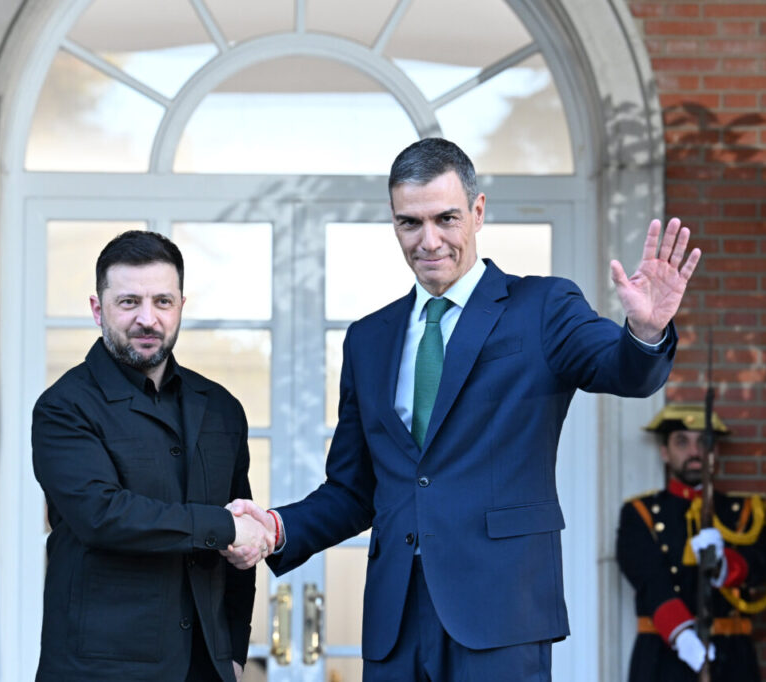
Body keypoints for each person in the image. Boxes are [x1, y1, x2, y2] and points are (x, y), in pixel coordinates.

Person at [224, 137, 700, 680]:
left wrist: (645, 329)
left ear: (477, 212)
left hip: (501, 617)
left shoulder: (543, 307)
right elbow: (355, 490)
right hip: (395, 624)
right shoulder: (368, 339)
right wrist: (278, 527)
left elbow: (625, 372)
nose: (429, 241)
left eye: (446, 218)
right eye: (410, 223)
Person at [31, 230, 274, 682]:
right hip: (98, 672)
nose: (148, 318)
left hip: (207, 667)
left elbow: (241, 543)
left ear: (181, 305)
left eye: (162, 301)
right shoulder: (63, 408)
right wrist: (223, 528)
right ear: (97, 309)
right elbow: (103, 515)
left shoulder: (221, 408)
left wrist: (234, 652)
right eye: (129, 302)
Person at [616, 403, 766, 682]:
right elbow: (648, 579)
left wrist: (724, 566)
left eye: (704, 442)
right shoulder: (640, 513)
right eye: (682, 442)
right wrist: (681, 634)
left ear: (715, 452)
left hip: (731, 657)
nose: (694, 452)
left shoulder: (746, 511)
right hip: (663, 655)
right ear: (664, 452)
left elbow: (762, 567)